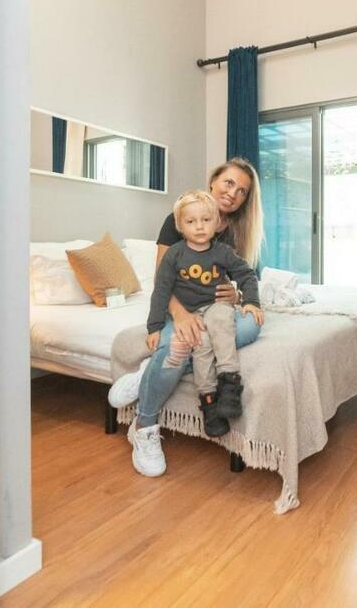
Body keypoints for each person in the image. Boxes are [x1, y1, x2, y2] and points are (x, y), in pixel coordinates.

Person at [109, 157, 265, 476]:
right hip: (177, 305)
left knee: (250, 327)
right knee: (177, 349)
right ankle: (144, 426)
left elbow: (237, 276)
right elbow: (162, 279)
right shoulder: (179, 218)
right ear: (213, 181)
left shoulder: (233, 232)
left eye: (242, 191)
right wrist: (179, 317)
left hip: (213, 309)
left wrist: (239, 297)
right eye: (229, 183)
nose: (233, 193)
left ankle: (147, 374)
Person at [146, 190, 263, 439]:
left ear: (216, 223)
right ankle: (209, 401)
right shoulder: (174, 254)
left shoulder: (223, 252)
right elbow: (162, 289)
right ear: (180, 226)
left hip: (215, 305)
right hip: (190, 312)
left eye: (206, 220)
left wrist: (251, 301)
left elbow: (247, 275)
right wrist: (154, 327)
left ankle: (229, 382)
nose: (199, 227)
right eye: (191, 221)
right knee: (201, 343)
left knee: (221, 322)